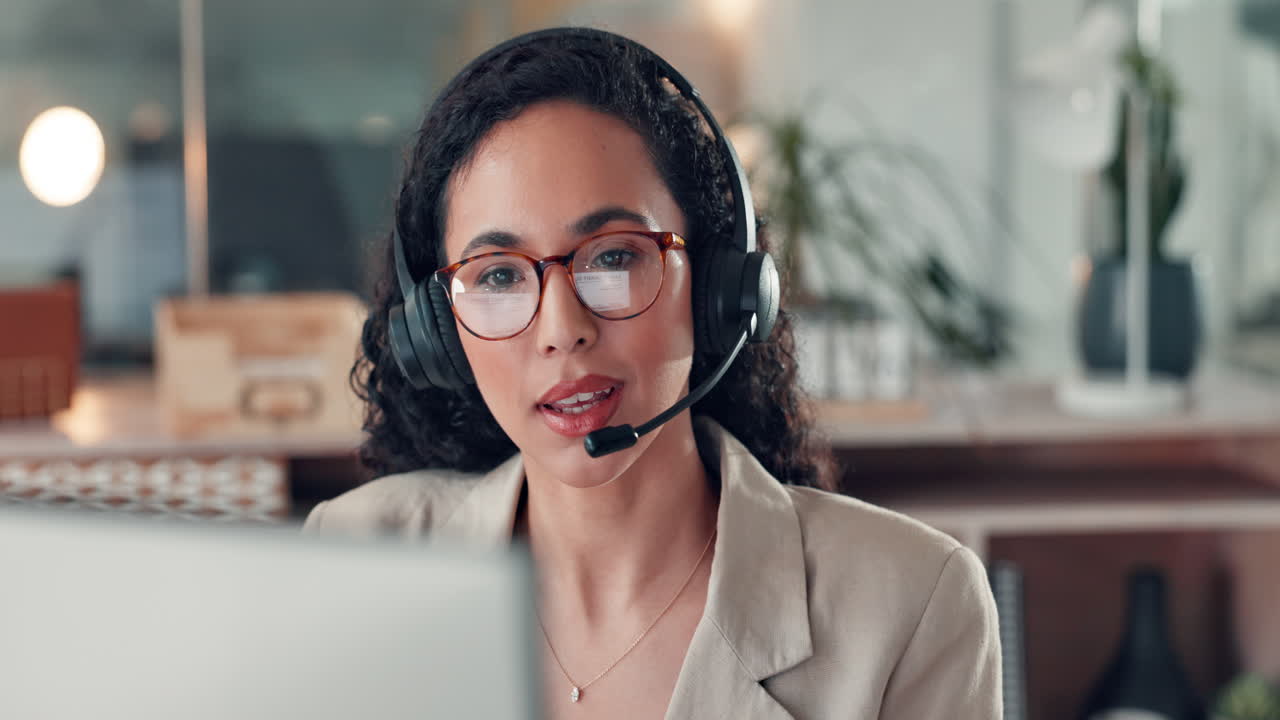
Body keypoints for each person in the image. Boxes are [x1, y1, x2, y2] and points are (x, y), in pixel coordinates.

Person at [304, 28, 1001, 719]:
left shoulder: (913, 602)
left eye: (612, 257)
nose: (561, 330)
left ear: (718, 290)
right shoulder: (356, 560)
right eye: (498, 275)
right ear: (438, 333)